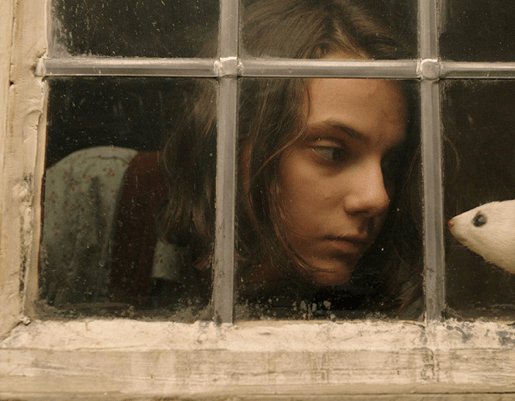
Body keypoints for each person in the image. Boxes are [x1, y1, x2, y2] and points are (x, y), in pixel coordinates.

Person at [39, 0, 423, 319]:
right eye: (331, 152)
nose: (377, 198)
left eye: (389, 162)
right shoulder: (97, 196)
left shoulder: (399, 296)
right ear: (234, 138)